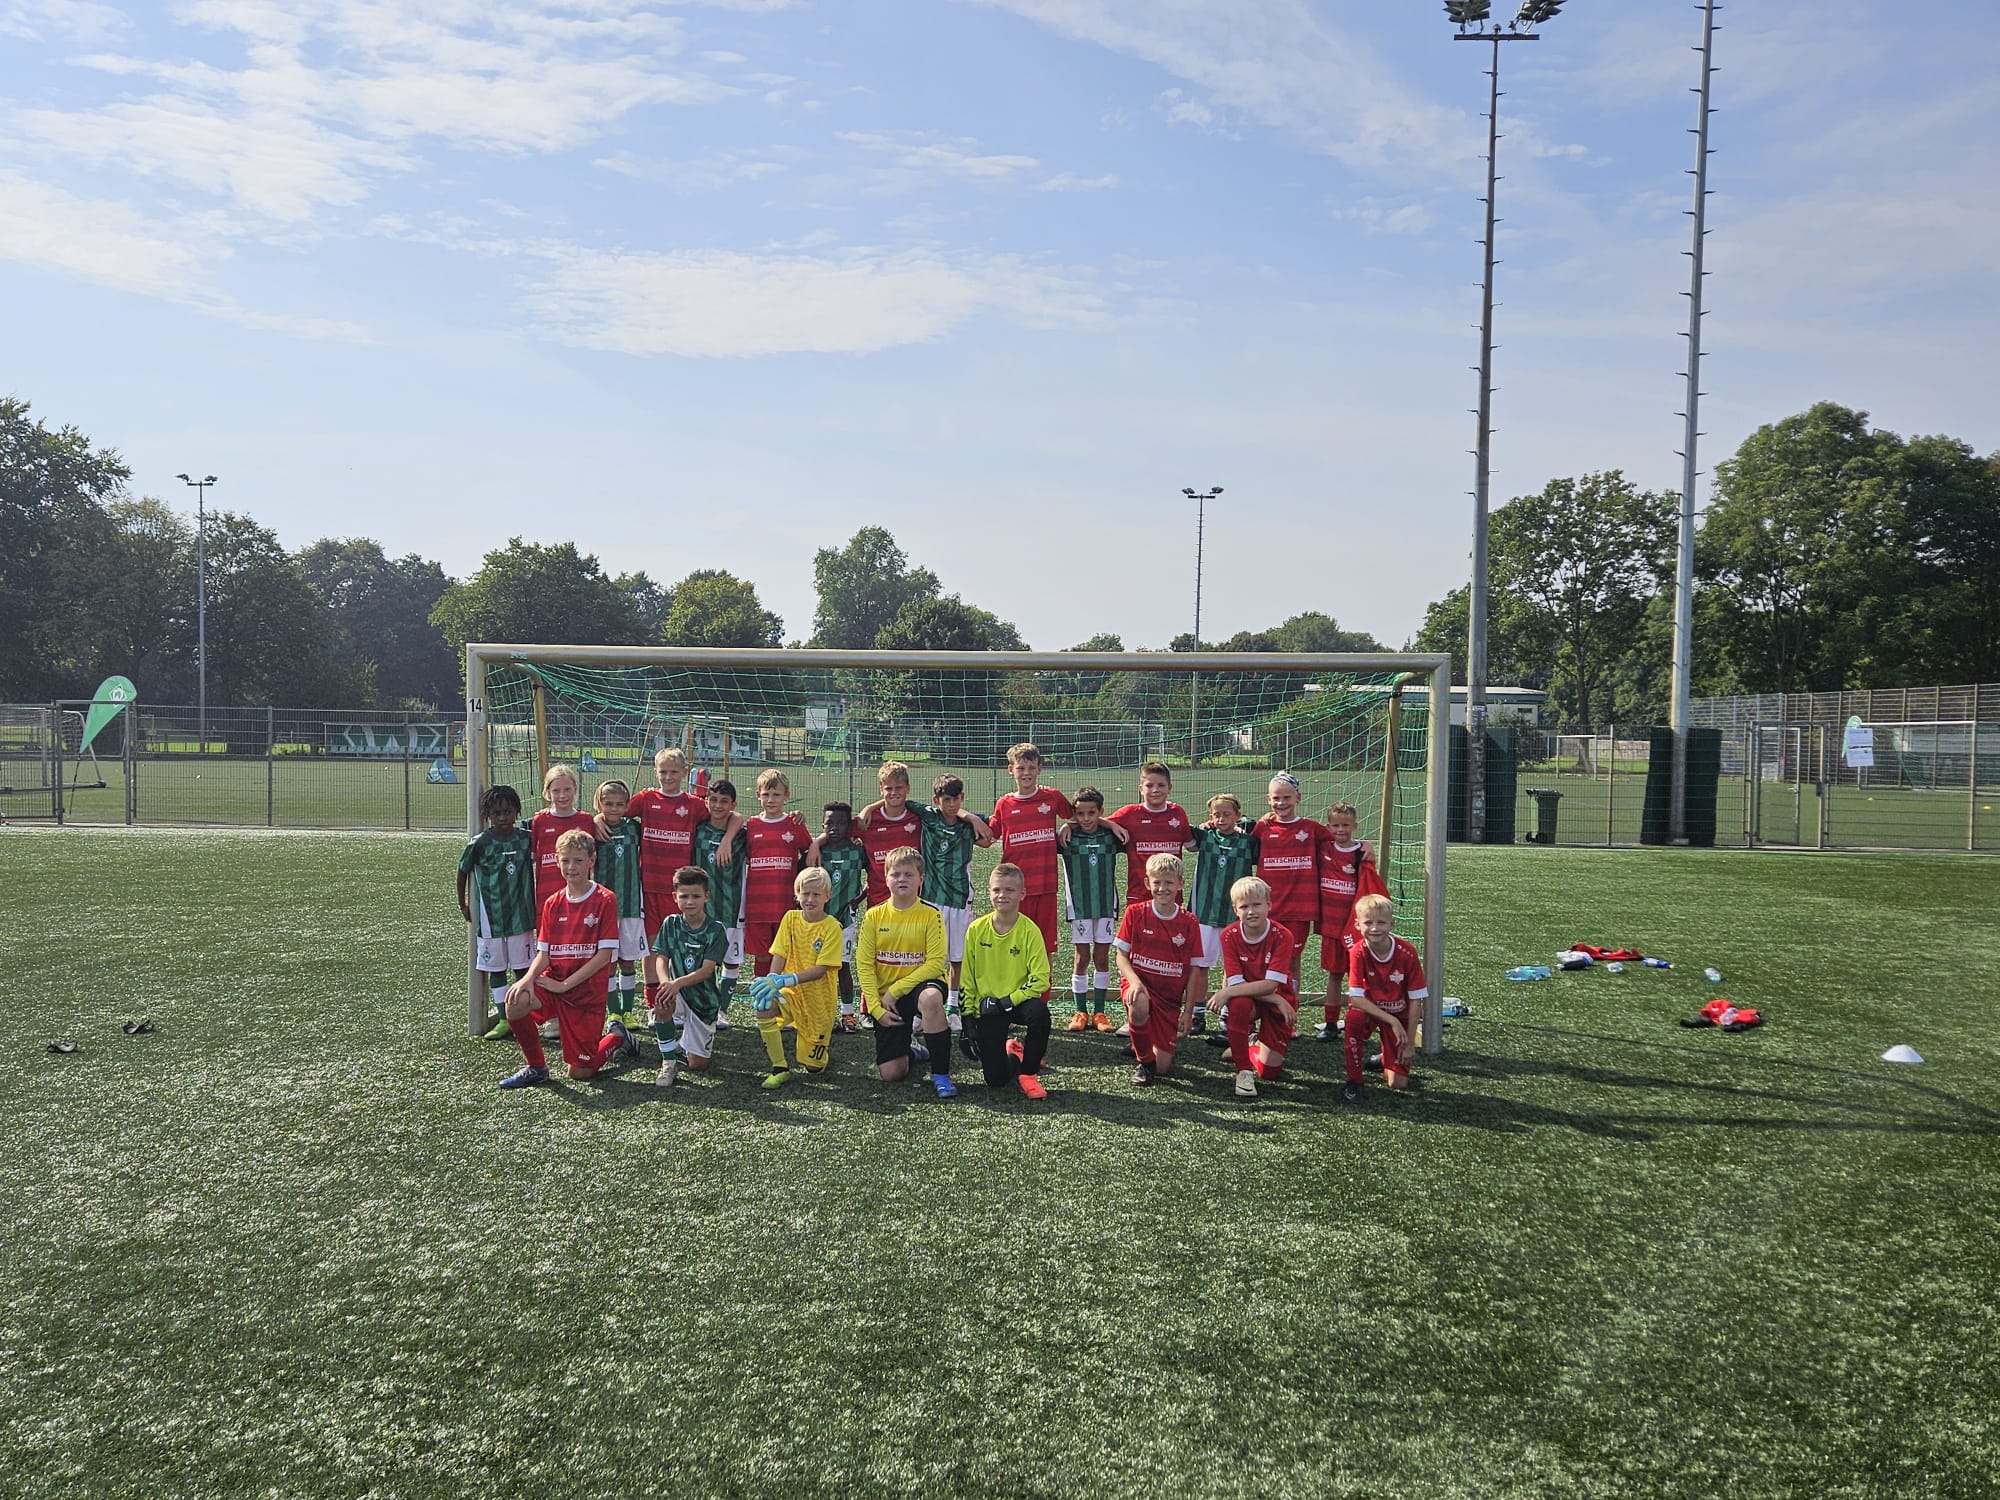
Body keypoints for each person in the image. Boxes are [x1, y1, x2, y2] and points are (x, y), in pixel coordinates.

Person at [497, 828, 626, 1089]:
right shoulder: (553, 903)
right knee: (515, 1000)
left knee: (580, 1072)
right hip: (554, 983)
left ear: (592, 861)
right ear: (556, 861)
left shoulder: (605, 899)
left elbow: (604, 956)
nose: (571, 867)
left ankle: (616, 1038)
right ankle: (536, 1067)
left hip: (586, 994)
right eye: (565, 860)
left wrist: (566, 985)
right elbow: (544, 954)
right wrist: (527, 980)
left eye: (578, 860)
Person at [627, 747, 741, 1023]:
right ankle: (656, 1005)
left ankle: (685, 1003)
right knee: (654, 948)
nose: (668, 776)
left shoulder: (693, 804)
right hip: (650, 886)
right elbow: (614, 812)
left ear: (684, 772)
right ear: (655, 771)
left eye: (674, 772)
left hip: (683, 891)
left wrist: (727, 840)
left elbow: (735, 817)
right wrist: (597, 819)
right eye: (663, 771)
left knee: (685, 947)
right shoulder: (645, 799)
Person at [855, 847, 956, 1098]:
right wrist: (876, 1010)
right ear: (886, 878)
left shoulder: (931, 915)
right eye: (896, 874)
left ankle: (941, 1074)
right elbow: (864, 965)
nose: (902, 879)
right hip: (888, 1002)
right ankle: (910, 1050)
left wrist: (896, 990)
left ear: (921, 879)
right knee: (891, 1074)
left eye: (909, 874)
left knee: (931, 999)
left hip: (920, 987)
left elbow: (935, 964)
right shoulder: (873, 916)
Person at [1113, 853, 1206, 1085]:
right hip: (1140, 985)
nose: (1162, 888)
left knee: (1164, 1068)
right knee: (1139, 1002)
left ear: (1180, 884)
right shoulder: (1135, 913)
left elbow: (1195, 970)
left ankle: (1141, 1042)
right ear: (1147, 883)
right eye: (1157, 882)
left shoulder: (1189, 922)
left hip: (1169, 999)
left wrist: (1188, 1011)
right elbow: (1121, 956)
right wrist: (1134, 982)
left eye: (1169, 882)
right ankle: (1144, 1061)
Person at [986, 743, 1074, 988]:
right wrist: (966, 817)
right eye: (1021, 768)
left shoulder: (1052, 797)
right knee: (1012, 944)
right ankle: (1010, 1000)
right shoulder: (1004, 804)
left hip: (1044, 887)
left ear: (1039, 769)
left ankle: (1040, 1003)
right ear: (1010, 770)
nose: (1026, 773)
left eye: (1031, 768)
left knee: (1044, 947)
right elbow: (988, 837)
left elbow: (1080, 815)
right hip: (1014, 891)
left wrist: (1068, 825)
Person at [961, 864, 1052, 1099]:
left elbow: (1041, 979)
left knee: (1040, 1014)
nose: (1002, 895)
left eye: (1010, 890)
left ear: (1022, 894)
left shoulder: (1030, 931)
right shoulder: (975, 930)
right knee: (995, 1080)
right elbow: (967, 978)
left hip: (1017, 1003)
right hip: (990, 1008)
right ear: (989, 892)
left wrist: (1008, 1001)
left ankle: (1029, 1074)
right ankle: (1015, 1054)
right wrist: (968, 1019)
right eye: (997, 890)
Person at [911, 774, 995, 1028]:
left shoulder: (971, 824)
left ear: (962, 798)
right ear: (936, 800)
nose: (952, 804)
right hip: (931, 898)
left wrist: (970, 819)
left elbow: (989, 838)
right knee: (927, 957)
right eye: (946, 799)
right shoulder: (928, 816)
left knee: (957, 957)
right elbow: (900, 802)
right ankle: (919, 1010)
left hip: (960, 898)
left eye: (956, 799)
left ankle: (953, 1007)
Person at [750, 867, 844, 1088]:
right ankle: (780, 1068)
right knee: (764, 1007)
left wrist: (784, 979)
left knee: (813, 1068)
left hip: (818, 1002)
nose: (810, 899)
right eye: (805, 893)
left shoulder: (833, 928)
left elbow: (821, 969)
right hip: (791, 993)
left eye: (816, 894)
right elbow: (780, 953)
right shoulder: (790, 919)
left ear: (827, 896)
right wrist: (773, 979)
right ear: (797, 893)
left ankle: (819, 1053)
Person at [457, 784, 535, 1041]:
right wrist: (463, 903)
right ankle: (504, 1019)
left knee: (523, 969)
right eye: (497, 813)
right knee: (496, 968)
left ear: (516, 811)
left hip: (521, 916)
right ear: (489, 815)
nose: (503, 817)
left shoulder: (525, 838)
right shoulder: (480, 843)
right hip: (490, 918)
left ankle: (523, 1015)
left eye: (508, 811)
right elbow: (463, 871)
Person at [645, 866, 731, 1087]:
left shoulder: (715, 930)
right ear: (675, 897)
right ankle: (669, 1062)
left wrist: (676, 983)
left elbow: (707, 970)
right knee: (663, 1001)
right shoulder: (670, 923)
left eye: (696, 896)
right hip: (677, 991)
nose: (690, 901)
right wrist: (666, 984)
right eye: (684, 896)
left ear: (706, 897)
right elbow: (661, 958)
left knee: (697, 1065)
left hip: (704, 1001)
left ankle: (683, 1046)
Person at [1184, 792, 1260, 1040]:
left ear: (1237, 815)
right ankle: (1197, 1013)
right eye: (1216, 814)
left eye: (1227, 814)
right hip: (1204, 912)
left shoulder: (1248, 841)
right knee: (1200, 966)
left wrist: (1246, 823)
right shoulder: (1204, 836)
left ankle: (1229, 1016)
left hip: (1234, 915)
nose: (1221, 818)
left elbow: (1259, 824)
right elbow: (1184, 831)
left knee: (1233, 968)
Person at [1214, 877, 1298, 1099]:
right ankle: (1243, 1070)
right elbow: (1237, 984)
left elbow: (1271, 985)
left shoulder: (1283, 935)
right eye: (1244, 906)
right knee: (1239, 1004)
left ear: (1269, 905)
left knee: (1269, 1072)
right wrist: (1232, 991)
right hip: (1254, 998)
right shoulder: (1229, 935)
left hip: (1278, 999)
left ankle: (1248, 1046)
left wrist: (1279, 1000)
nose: (1251, 911)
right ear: (1235, 909)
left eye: (1257, 904)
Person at [1342, 893, 1428, 1102]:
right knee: (1354, 1019)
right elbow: (1356, 999)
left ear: (1392, 924)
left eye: (1381, 922)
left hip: (1400, 1014)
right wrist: (1391, 1020)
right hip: (1373, 1011)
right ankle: (1354, 1081)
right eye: (1368, 922)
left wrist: (1409, 1044)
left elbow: (1416, 1000)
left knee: (1398, 1084)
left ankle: (1385, 1057)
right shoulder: (1357, 952)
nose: (1374, 928)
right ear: (1357, 924)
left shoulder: (1406, 952)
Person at [1252, 771, 1332, 988]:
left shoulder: (1311, 829)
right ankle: (1262, 1005)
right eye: (1276, 798)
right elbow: (1238, 835)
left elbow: (1341, 843)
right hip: (1268, 907)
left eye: (1287, 797)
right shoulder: (1262, 828)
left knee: (1292, 959)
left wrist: (1365, 845)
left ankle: (1290, 1005)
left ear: (1298, 797)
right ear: (1268, 800)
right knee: (1262, 959)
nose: (1281, 803)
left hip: (1299, 909)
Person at [1057, 788, 1123, 1032]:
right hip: (1080, 907)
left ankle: (1100, 1013)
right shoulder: (1067, 838)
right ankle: (1080, 1011)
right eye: (1080, 813)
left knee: (1102, 958)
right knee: (1082, 958)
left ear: (1100, 812)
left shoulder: (1110, 836)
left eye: (1091, 813)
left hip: (1106, 905)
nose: (1086, 818)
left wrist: (1109, 824)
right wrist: (1067, 825)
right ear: (1074, 814)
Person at [740, 768, 811, 984]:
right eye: (766, 795)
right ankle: (762, 998)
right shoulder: (751, 826)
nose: (771, 800)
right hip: (757, 906)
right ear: (758, 795)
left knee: (785, 953)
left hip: (785, 905)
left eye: (776, 795)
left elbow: (810, 851)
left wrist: (817, 846)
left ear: (786, 796)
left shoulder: (794, 825)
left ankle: (785, 997)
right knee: (762, 955)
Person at [590, 778, 649, 1035]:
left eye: (619, 804)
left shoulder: (634, 828)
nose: (613, 809)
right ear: (599, 804)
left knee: (628, 961)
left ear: (627, 806)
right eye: (608, 804)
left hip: (631, 905)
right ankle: (612, 1011)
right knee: (607, 963)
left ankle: (628, 1011)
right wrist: (594, 821)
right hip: (605, 909)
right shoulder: (594, 830)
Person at [807, 801, 869, 1033]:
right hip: (818, 921)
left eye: (841, 823)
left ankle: (848, 1015)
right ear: (823, 824)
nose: (834, 828)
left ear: (849, 826)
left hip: (845, 920)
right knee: (818, 968)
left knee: (843, 967)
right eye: (829, 823)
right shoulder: (816, 852)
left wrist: (860, 898)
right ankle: (825, 1015)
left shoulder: (857, 850)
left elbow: (875, 872)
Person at [1314, 801, 1371, 1043]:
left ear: (1355, 826)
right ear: (1328, 826)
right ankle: (1330, 1022)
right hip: (1330, 925)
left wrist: (1369, 847)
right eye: (1336, 825)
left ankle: (1356, 1021)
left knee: (1358, 976)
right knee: (1334, 974)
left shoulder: (1362, 853)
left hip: (1354, 927)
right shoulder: (1322, 847)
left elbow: (1370, 885)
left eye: (1346, 825)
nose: (1341, 829)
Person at [692, 778, 744, 1032]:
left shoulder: (741, 836)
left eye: (724, 801)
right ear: (706, 802)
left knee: (731, 961)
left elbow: (742, 819)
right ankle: (704, 1007)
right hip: (700, 910)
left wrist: (728, 837)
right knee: (702, 961)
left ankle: (722, 1009)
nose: (718, 805)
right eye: (713, 800)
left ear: (733, 804)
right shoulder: (698, 829)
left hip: (731, 907)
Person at [1107, 761, 1191, 908]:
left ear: (1169, 788)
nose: (1155, 790)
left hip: (1171, 894)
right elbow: (1095, 821)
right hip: (1138, 893)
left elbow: (1192, 845)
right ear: (1140, 789)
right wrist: (1111, 824)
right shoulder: (1129, 813)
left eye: (1161, 785)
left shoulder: (1178, 813)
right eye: (1149, 785)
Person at [856, 761, 924, 910]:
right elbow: (837, 832)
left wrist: (972, 818)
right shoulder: (867, 820)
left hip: (912, 905)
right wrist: (817, 844)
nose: (894, 793)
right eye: (888, 788)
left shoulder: (918, 818)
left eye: (899, 788)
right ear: (881, 789)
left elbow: (944, 813)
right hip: (878, 904)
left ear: (908, 788)